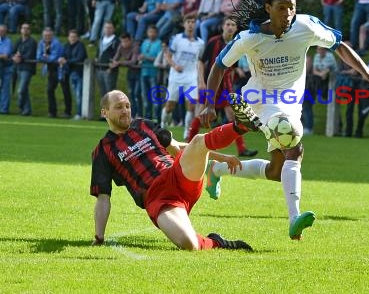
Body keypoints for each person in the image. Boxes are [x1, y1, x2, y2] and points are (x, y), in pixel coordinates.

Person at [200, 0, 369, 239]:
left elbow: (340, 46)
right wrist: (208, 103)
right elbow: (219, 66)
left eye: (292, 7)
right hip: (260, 99)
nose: (288, 13)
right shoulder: (250, 37)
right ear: (268, 9)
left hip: (290, 102)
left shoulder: (306, 26)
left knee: (275, 171)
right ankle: (294, 219)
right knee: (295, 145)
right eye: (282, 8)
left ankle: (217, 169)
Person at [90, 89, 254, 251]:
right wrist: (99, 236)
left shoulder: (144, 124)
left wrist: (221, 157)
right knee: (189, 243)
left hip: (176, 175)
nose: (125, 111)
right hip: (157, 198)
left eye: (127, 106)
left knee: (197, 140)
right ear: (105, 112)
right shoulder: (103, 150)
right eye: (119, 107)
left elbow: (179, 148)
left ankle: (240, 126)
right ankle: (216, 242)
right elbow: (103, 197)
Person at [185, 16, 257, 157]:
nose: (230, 27)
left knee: (233, 115)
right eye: (228, 24)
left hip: (226, 86)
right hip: (210, 83)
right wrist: (201, 81)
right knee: (201, 114)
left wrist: (234, 78)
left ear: (236, 29)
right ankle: (187, 145)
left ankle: (241, 149)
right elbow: (201, 62)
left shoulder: (238, 44)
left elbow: (232, 68)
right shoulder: (213, 42)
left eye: (233, 25)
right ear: (222, 26)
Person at [36, 27, 71, 118]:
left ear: (52, 35)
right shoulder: (41, 43)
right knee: (49, 90)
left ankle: (67, 112)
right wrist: (47, 57)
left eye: (48, 35)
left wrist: (45, 57)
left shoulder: (57, 43)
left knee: (65, 90)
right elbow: (38, 56)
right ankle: (52, 112)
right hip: (51, 70)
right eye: (45, 35)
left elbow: (54, 57)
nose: (47, 37)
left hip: (61, 69)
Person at [59, 29, 87, 120]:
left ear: (78, 38)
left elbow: (79, 58)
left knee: (79, 94)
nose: (73, 38)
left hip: (79, 73)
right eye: (71, 37)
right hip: (71, 73)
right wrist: (62, 59)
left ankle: (80, 114)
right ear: (68, 37)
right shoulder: (66, 45)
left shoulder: (81, 46)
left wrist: (66, 61)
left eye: (74, 37)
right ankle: (78, 113)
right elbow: (63, 55)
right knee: (76, 94)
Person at [11, 23, 37, 116]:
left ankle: (20, 105)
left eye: (27, 28)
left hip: (27, 68)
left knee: (21, 90)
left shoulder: (32, 42)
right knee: (24, 90)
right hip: (18, 68)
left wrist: (19, 57)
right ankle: (27, 110)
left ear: (30, 31)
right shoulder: (19, 41)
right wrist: (14, 57)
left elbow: (30, 55)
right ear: (21, 30)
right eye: (23, 28)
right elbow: (12, 52)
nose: (25, 30)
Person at [0, 25, 13, 114]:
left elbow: (6, 55)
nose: (1, 32)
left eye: (3, 31)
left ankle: (4, 109)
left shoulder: (8, 41)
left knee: (5, 89)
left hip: (6, 68)